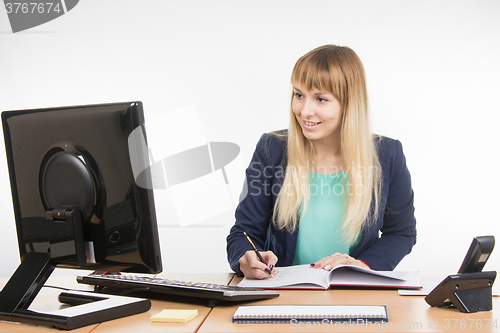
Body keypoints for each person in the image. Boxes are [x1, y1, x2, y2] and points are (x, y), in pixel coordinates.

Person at [226, 45, 416, 279]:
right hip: (283, 294)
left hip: (353, 291)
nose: (305, 111)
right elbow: (243, 232)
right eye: (299, 95)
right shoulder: (272, 148)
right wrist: (245, 258)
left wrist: (360, 265)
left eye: (321, 99)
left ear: (349, 103)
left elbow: (401, 233)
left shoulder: (387, 154)